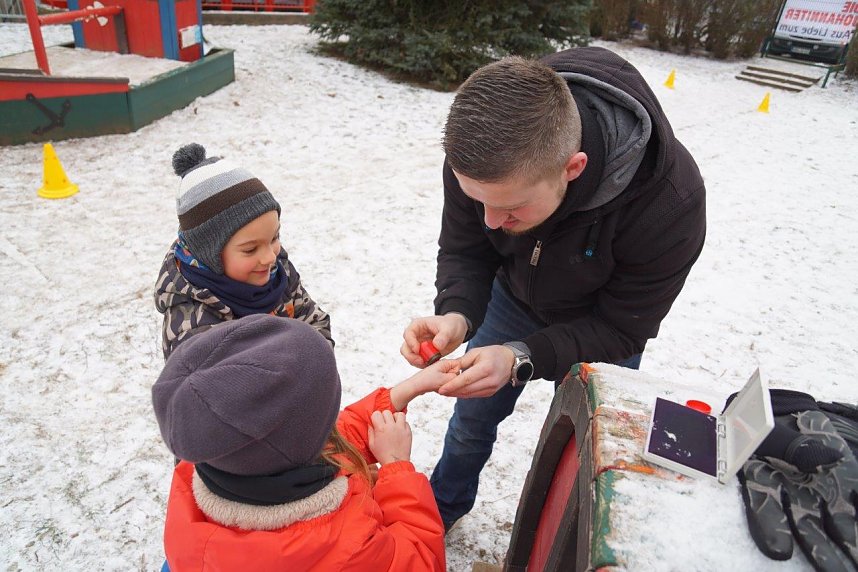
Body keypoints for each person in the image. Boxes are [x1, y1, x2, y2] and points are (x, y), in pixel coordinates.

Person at [400, 47, 707, 530]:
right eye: (479, 202)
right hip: (513, 298)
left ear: (573, 167)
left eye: (511, 209)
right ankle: (442, 512)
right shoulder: (481, 156)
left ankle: (556, 548)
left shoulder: (669, 205)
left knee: (583, 455)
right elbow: (466, 248)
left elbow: (623, 329)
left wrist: (520, 356)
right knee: (471, 422)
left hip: (602, 326)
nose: (490, 222)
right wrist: (457, 313)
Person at [152, 313, 455, 571]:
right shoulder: (348, 547)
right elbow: (421, 560)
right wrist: (396, 466)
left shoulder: (210, 458)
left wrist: (406, 391)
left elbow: (320, 438)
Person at [154, 143, 332, 360]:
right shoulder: (193, 327)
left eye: (274, 238)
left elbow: (313, 321)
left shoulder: (278, 272)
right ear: (209, 254)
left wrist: (316, 362)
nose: (270, 257)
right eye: (250, 249)